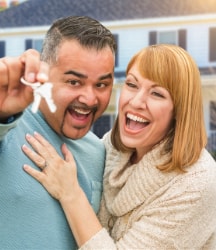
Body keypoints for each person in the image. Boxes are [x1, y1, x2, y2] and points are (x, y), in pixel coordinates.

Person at [0, 15, 117, 249]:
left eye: (101, 85)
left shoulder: (98, 152)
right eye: (74, 82)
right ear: (44, 75)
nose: (90, 98)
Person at [22, 44, 216, 249]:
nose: (136, 101)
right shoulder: (112, 149)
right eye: (132, 85)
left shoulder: (196, 184)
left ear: (179, 111)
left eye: (157, 94)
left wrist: (70, 194)